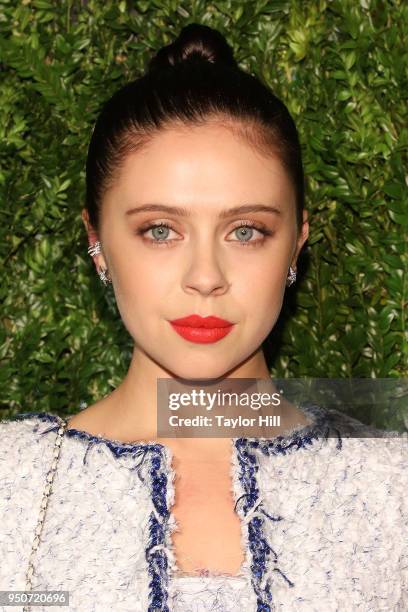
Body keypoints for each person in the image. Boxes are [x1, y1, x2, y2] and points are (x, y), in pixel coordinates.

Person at [0, 23, 406, 612]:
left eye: (246, 231)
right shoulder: (13, 484)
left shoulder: (392, 486)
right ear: (97, 243)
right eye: (160, 230)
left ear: (296, 244)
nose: (206, 276)